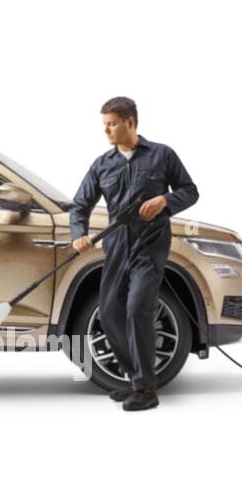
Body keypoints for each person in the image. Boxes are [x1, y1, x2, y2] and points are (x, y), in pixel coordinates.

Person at [68, 97, 198, 411]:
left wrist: (164, 201)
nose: (107, 131)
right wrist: (79, 236)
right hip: (116, 247)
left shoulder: (162, 155)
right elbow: (79, 206)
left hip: (149, 245)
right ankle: (136, 378)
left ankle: (145, 389)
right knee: (110, 314)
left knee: (138, 307)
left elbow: (190, 191)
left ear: (130, 121)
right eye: (104, 125)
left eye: (112, 124)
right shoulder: (103, 164)